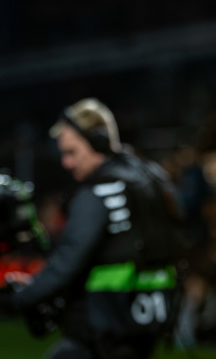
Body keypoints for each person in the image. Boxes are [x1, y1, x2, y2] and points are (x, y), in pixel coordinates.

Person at [5, 98, 183, 359]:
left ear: (98, 141)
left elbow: (66, 263)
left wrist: (17, 298)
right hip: (147, 326)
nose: (66, 163)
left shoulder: (97, 192)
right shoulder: (153, 178)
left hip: (100, 335)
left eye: (72, 152)